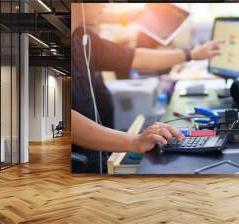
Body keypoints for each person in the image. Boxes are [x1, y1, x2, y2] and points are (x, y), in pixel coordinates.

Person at [71, 4, 223, 173]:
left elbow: (136, 57)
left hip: (97, 156)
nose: (106, 4)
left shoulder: (84, 38)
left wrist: (191, 54)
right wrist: (134, 141)